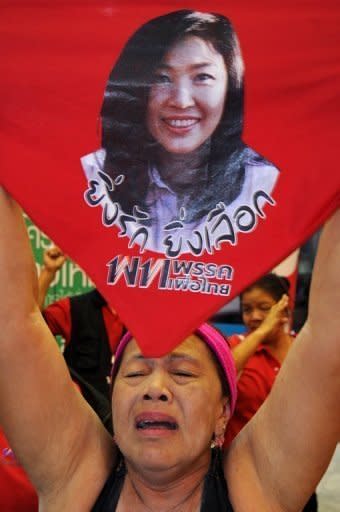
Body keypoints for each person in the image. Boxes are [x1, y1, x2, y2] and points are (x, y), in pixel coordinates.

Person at [0, 187, 339, 511]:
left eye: (183, 372)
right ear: (113, 402)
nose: (155, 389)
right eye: (134, 373)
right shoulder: (76, 476)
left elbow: (330, 338)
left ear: (223, 412)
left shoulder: (256, 486)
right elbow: (12, 324)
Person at [82, 10, 280, 256]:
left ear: (231, 87)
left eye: (202, 77)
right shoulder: (92, 176)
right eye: (162, 78)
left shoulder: (264, 184)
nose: (182, 101)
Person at [225, 273, 318, 511]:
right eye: (247, 309)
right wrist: (260, 333)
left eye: (264, 308)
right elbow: (220, 375)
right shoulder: (236, 346)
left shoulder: (305, 351)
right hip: (242, 475)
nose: (254, 316)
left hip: (298, 475)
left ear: (284, 308)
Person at [39, 245, 125, 401]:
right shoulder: (72, 308)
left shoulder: (141, 316)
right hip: (80, 415)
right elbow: (30, 327)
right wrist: (48, 272)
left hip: (126, 414)